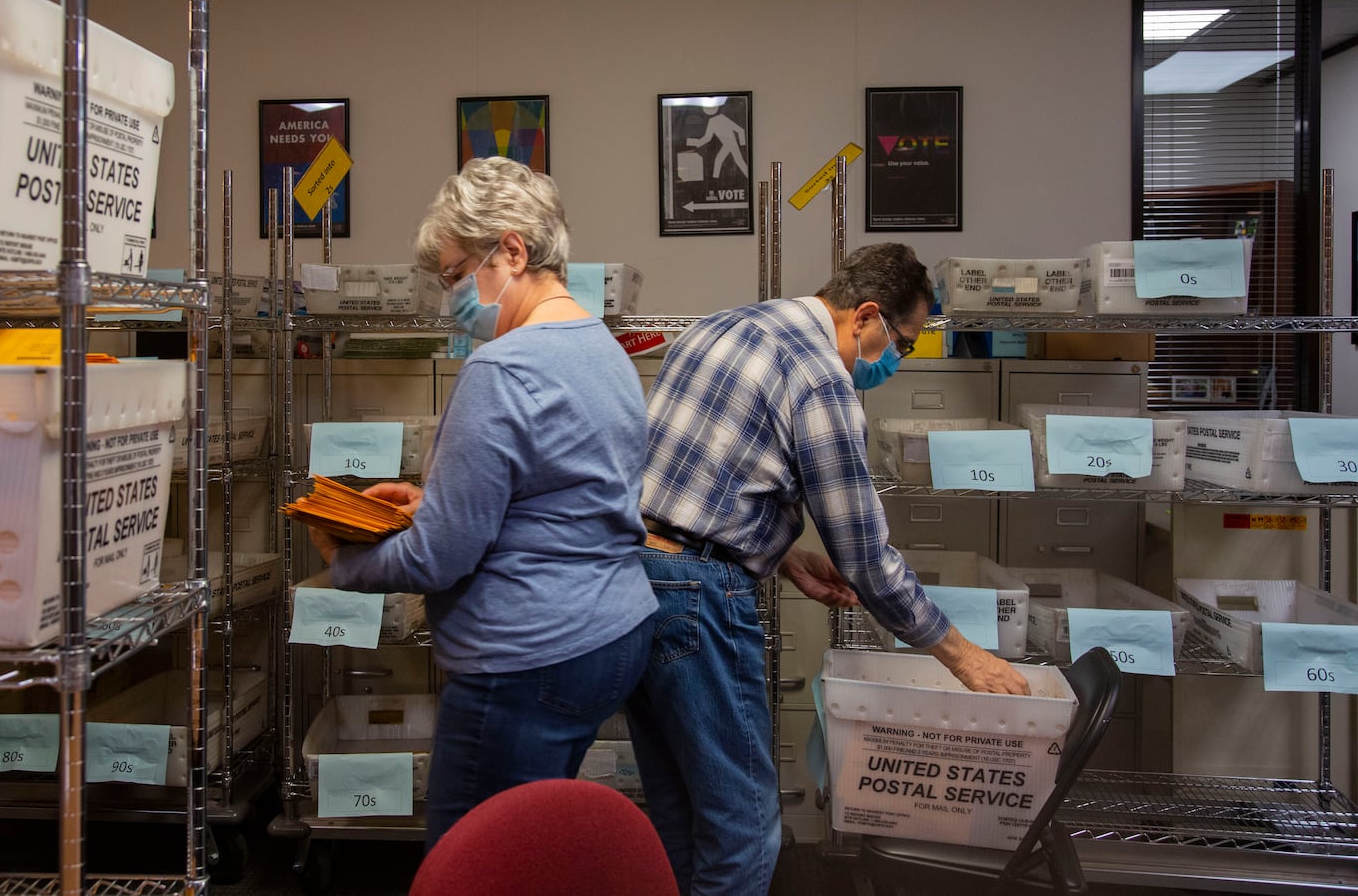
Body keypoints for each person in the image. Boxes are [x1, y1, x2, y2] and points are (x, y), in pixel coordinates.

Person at [625, 242, 1030, 895]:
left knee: (680, 811)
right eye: (903, 341)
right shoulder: (820, 375)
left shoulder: (724, 325)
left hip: (633, 578)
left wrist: (782, 555)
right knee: (745, 828)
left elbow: (688, 475)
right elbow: (865, 556)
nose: (899, 360)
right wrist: (962, 657)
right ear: (866, 316)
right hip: (700, 597)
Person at [310, 156, 657, 848]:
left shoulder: (503, 368)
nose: (451, 298)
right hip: (611, 633)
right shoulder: (603, 347)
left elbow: (441, 555)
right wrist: (438, 495)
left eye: (455, 274)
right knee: (537, 850)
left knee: (474, 858)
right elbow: (558, 489)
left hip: (524, 659)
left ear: (513, 250)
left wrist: (340, 556)